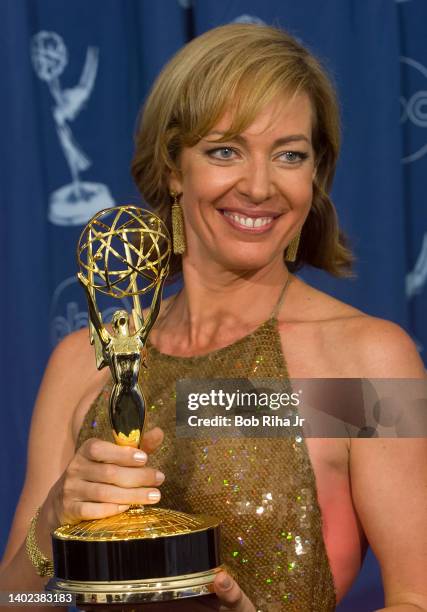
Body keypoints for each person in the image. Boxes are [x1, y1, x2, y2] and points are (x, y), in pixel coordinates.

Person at [1, 23, 426, 612]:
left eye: (290, 155)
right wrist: (51, 522)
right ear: (174, 168)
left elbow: (418, 596)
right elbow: (22, 603)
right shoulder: (84, 363)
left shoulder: (367, 362)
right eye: (225, 151)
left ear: (314, 176)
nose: (258, 186)